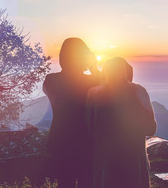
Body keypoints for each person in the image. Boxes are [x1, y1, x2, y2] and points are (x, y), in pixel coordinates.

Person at [86, 57, 157, 188]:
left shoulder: (94, 94)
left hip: (105, 163)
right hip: (134, 161)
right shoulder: (138, 91)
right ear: (128, 73)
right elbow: (151, 129)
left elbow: (90, 130)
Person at [43, 37, 100, 188]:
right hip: (87, 144)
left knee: (65, 183)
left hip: (61, 143)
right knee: (87, 183)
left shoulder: (51, 80)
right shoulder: (93, 82)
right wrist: (93, 66)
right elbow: (107, 87)